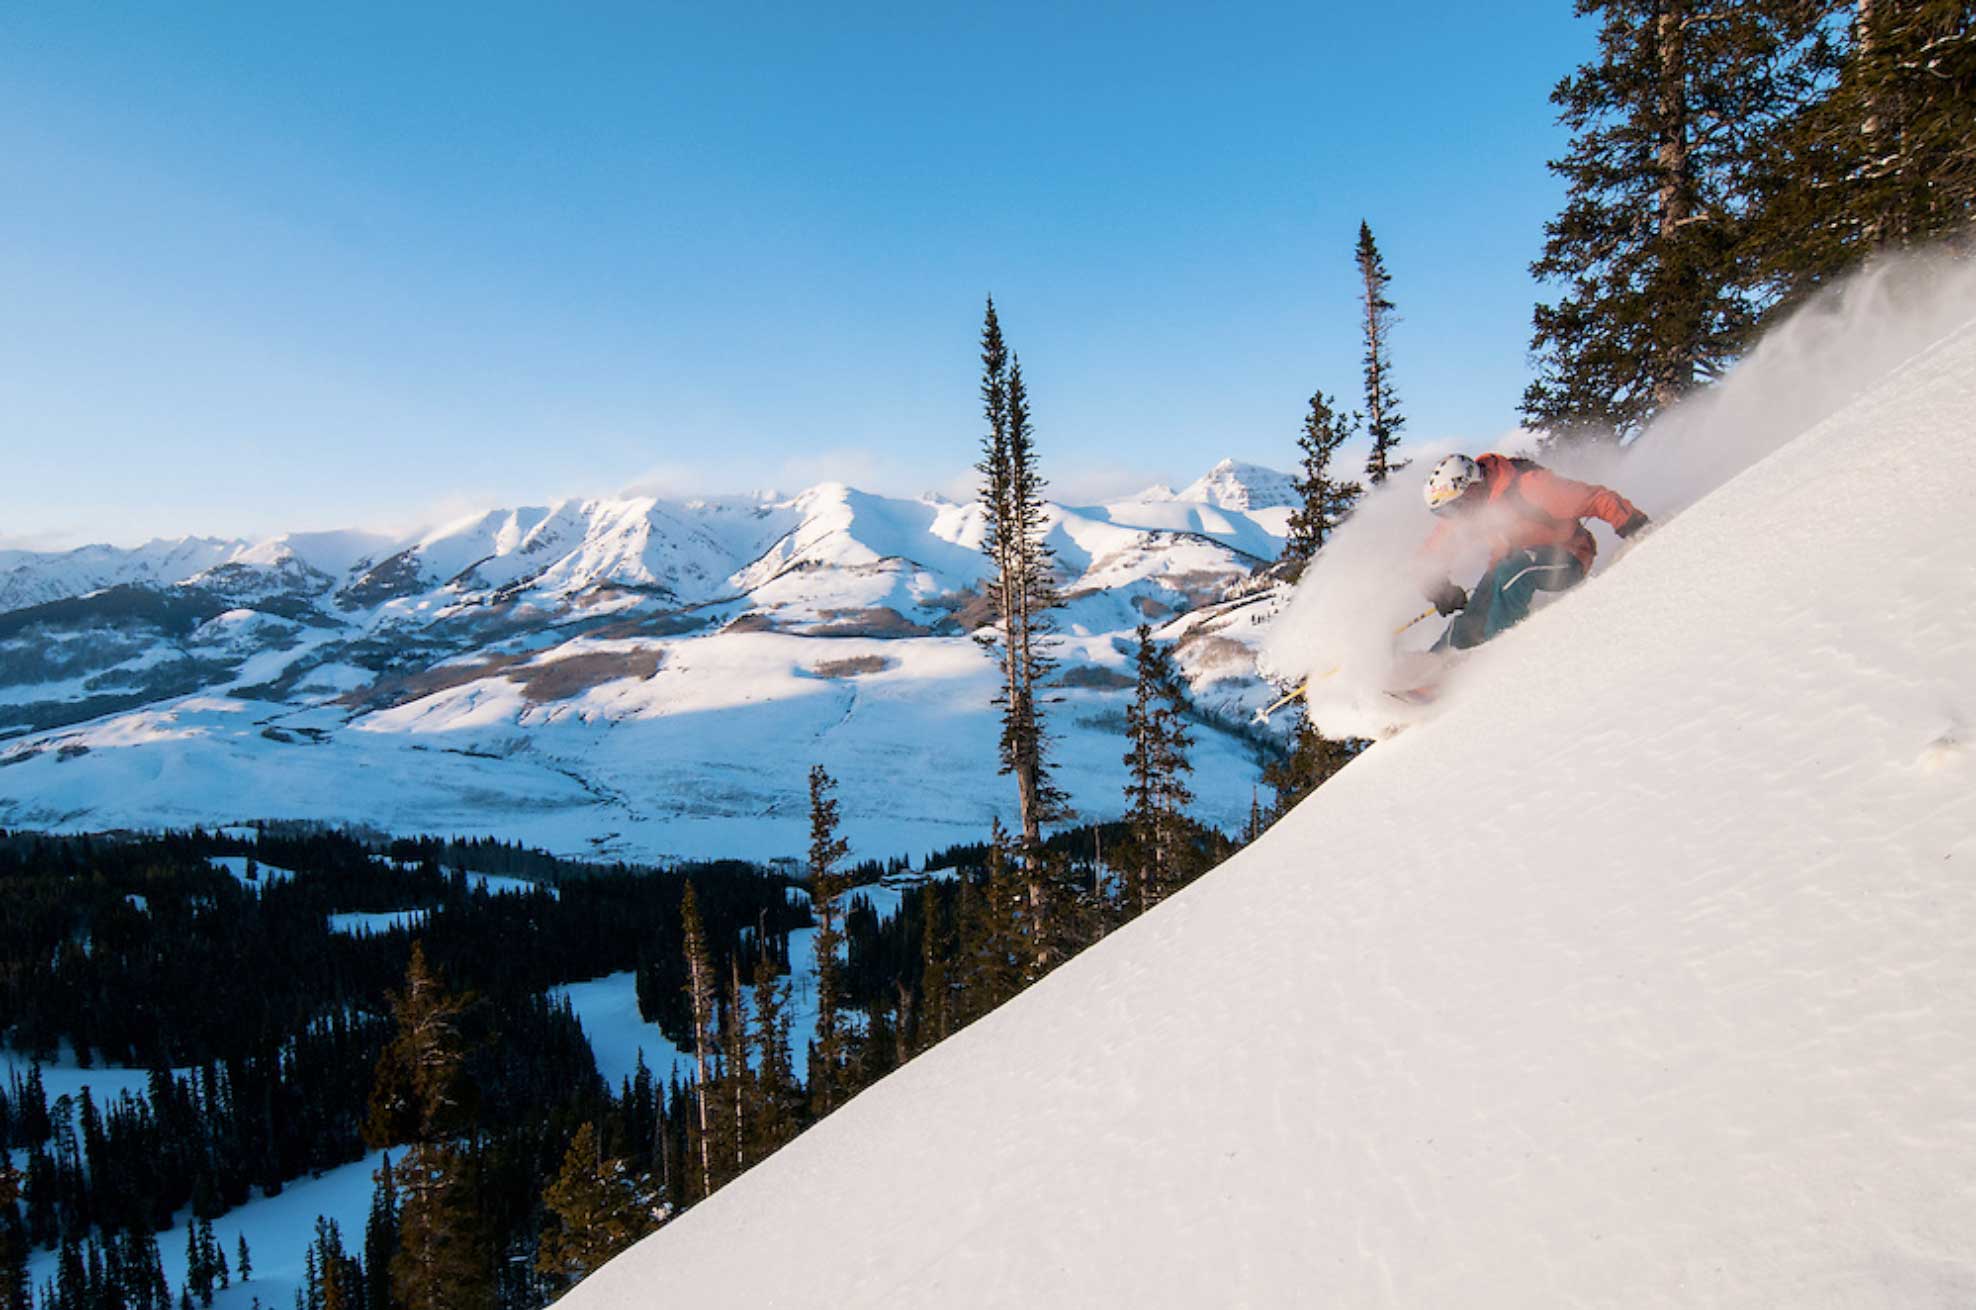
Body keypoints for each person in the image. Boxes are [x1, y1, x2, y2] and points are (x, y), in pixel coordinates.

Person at [1416, 452, 1650, 651]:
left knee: (1514, 569)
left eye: (1455, 506)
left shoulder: (1530, 486)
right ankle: (1435, 663)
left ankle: (1493, 650)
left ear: (1471, 488)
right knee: (1480, 603)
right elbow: (1434, 551)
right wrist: (1438, 589)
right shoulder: (1467, 512)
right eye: (1445, 512)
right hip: (1510, 565)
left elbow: (1596, 498)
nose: (1454, 515)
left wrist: (1631, 523)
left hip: (1567, 558)